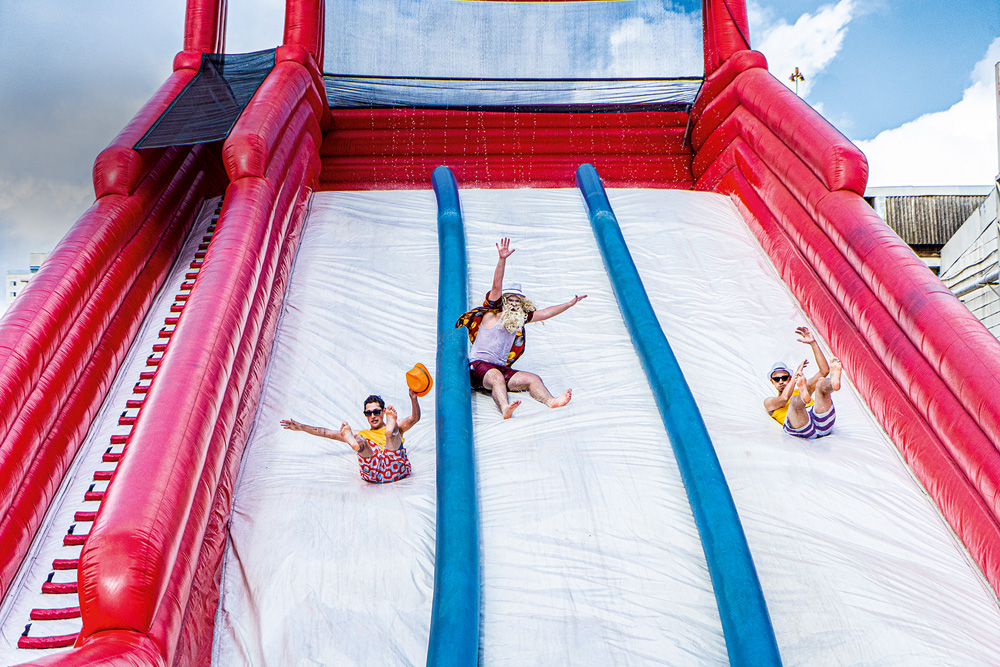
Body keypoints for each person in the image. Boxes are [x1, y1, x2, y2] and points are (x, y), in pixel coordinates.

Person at [455, 238, 586, 419]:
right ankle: (505, 408)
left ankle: (551, 401)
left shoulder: (520, 319)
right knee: (496, 378)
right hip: (478, 367)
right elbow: (496, 286)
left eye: (518, 301)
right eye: (511, 300)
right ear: (504, 301)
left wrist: (569, 304)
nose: (515, 304)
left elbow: (546, 313)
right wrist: (502, 260)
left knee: (532, 379)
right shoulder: (492, 314)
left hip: (500, 369)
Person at [280, 391, 420, 483]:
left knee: (393, 431)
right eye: (368, 413)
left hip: (395, 466)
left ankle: (390, 432)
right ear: (365, 415)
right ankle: (357, 445)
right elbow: (327, 433)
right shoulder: (363, 433)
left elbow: (414, 418)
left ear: (383, 412)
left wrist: (413, 398)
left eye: (376, 412)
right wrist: (301, 427)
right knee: (361, 440)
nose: (372, 416)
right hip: (374, 471)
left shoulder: (398, 424)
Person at [764, 326, 843, 439]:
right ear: (772, 381)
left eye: (784, 377)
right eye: (777, 379)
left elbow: (824, 371)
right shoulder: (769, 402)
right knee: (795, 400)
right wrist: (795, 376)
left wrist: (813, 343)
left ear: (789, 377)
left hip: (821, 420)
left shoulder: (804, 388)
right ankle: (803, 399)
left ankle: (833, 383)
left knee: (821, 383)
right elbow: (784, 398)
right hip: (802, 428)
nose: (781, 381)